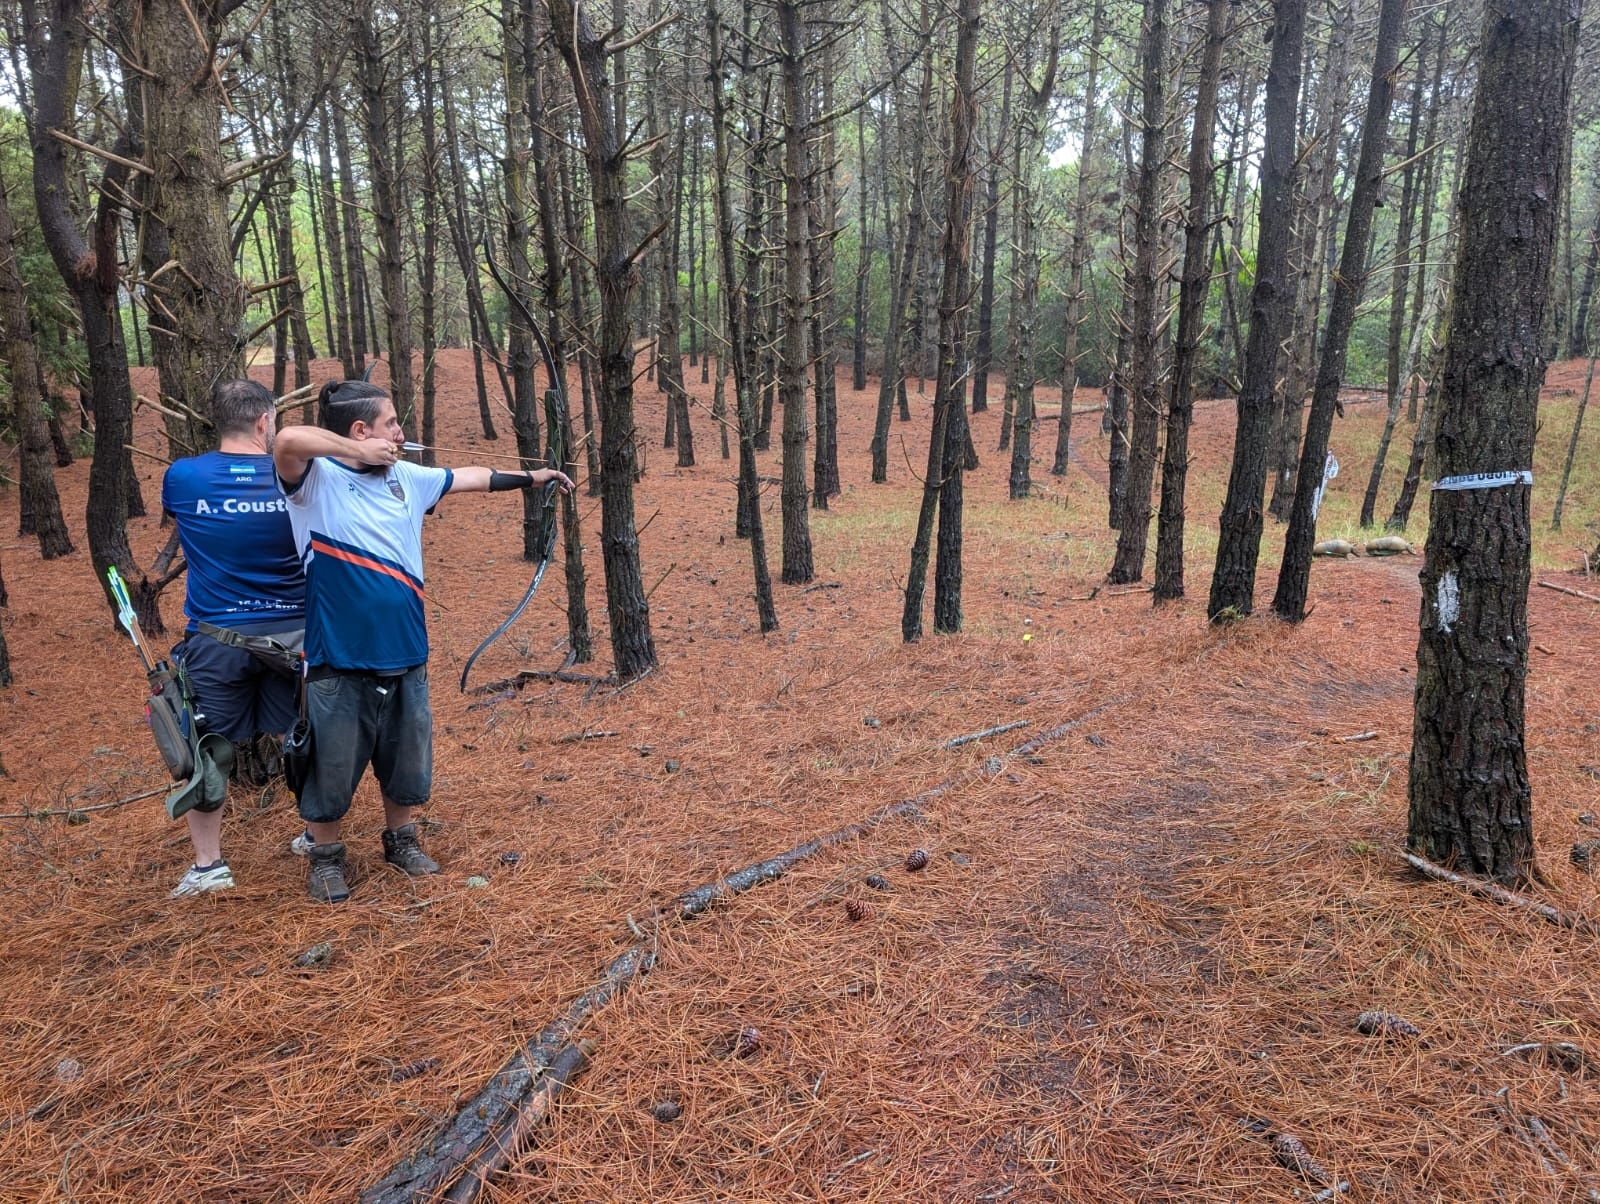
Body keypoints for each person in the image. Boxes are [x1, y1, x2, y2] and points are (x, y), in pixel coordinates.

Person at [273, 380, 574, 903]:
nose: (400, 433)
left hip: (405, 648)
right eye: (390, 424)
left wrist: (534, 476)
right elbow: (285, 440)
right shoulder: (314, 481)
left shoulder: (406, 478)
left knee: (405, 755)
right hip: (338, 654)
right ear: (361, 430)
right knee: (330, 764)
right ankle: (325, 857)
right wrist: (356, 451)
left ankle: (402, 840)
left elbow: (471, 477)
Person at [161, 379, 306, 898]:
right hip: (296, 636)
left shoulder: (183, 476)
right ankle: (318, 835)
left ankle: (208, 866)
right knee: (307, 736)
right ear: (265, 422)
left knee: (205, 750)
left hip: (215, 639)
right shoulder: (297, 474)